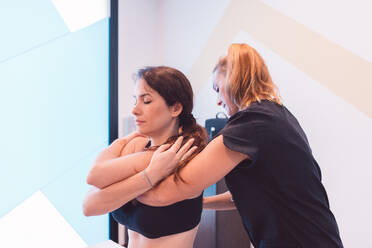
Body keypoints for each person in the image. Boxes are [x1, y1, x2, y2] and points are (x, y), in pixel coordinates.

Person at [135, 44, 344, 247]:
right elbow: (242, 197)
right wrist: (200, 202)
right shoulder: (277, 115)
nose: (218, 101)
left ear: (235, 80)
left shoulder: (250, 125)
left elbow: (174, 189)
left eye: (218, 89)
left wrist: (126, 192)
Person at [83, 66, 208, 248]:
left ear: (176, 108)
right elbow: (89, 203)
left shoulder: (183, 158)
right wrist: (148, 174)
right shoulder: (137, 147)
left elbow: (96, 182)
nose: (135, 110)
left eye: (146, 101)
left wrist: (144, 174)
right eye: (135, 100)